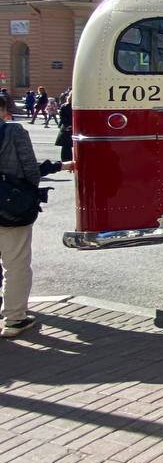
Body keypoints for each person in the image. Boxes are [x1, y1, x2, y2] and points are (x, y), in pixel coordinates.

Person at [0, 92, 73, 339]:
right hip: (8, 208)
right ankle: (14, 319)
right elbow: (30, 171)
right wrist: (58, 167)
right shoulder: (13, 131)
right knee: (16, 264)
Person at [56, 94, 73, 163]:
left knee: (66, 146)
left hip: (66, 127)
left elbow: (62, 118)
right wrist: (69, 125)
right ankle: (67, 161)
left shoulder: (64, 106)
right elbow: (62, 117)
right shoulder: (66, 106)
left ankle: (66, 161)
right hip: (68, 127)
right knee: (67, 146)